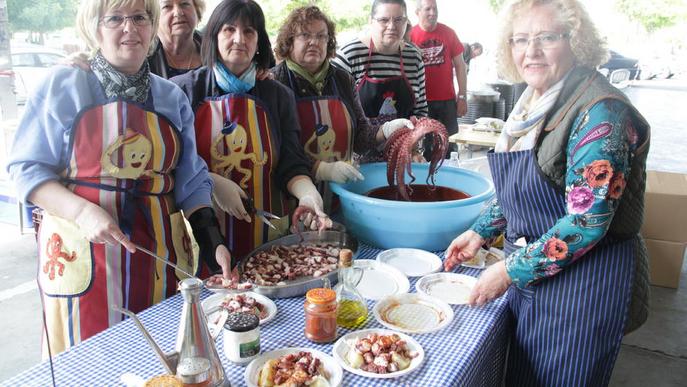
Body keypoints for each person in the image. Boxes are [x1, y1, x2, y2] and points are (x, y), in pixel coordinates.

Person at [6, 0, 232, 357]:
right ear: (95, 28)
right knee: (91, 364)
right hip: (83, 257)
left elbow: (190, 179)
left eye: (140, 17)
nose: (130, 28)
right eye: (115, 18)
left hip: (156, 255)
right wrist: (81, 212)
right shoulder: (64, 85)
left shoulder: (170, 96)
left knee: (156, 360)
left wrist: (211, 236)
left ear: (152, 26)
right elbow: (26, 169)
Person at [443, 0, 650, 385]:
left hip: (584, 287)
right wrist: (480, 231)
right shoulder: (534, 102)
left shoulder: (600, 112)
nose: (530, 51)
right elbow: (525, 185)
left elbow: (587, 221)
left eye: (547, 37)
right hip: (538, 276)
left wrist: (507, 271)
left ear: (577, 41)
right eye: (520, 39)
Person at [170, 0, 331, 259]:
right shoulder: (183, 91)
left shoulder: (278, 95)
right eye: (229, 30)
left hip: (268, 234)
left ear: (259, 41)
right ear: (213, 36)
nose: (239, 39)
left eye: (249, 31)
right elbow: (173, 163)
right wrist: (211, 181)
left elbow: (292, 163)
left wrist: (308, 194)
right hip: (205, 234)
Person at [333, 0, 426, 162]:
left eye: (398, 20)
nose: (392, 26)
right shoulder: (349, 55)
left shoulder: (414, 57)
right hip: (356, 160)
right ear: (371, 21)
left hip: (401, 158)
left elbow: (421, 110)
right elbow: (335, 114)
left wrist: (414, 147)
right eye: (384, 20)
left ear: (406, 22)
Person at [410, 0, 467, 157]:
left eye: (435, 9)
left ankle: (447, 179)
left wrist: (462, 96)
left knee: (447, 148)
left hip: (446, 101)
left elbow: (461, 66)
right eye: (428, 9)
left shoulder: (449, 33)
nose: (432, 13)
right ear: (417, 12)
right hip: (420, 102)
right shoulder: (409, 35)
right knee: (421, 149)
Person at [148, 0, 205, 78]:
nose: (178, 13)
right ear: (153, 18)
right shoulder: (144, 58)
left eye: (184, 4)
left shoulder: (216, 48)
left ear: (197, 10)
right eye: (167, 6)